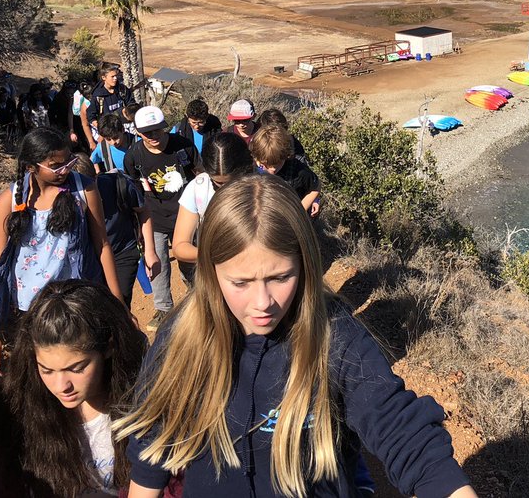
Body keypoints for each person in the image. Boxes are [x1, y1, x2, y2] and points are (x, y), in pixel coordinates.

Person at [116, 177, 477, 498]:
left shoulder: (334, 335)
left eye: (280, 277)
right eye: (240, 283)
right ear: (210, 273)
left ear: (305, 264)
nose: (263, 304)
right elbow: (153, 444)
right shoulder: (181, 337)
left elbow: (402, 431)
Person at [0, 279, 148, 498]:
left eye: (77, 368)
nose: (62, 386)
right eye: (47, 370)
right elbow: (2, 484)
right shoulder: (16, 409)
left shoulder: (144, 401)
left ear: (108, 347)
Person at [0, 128, 124, 376]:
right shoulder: (9, 201)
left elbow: (102, 245)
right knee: (39, 375)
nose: (65, 170)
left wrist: (119, 307)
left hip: (75, 304)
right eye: (55, 166)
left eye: (68, 162)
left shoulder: (84, 190)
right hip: (29, 311)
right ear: (31, 167)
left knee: (78, 369)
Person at [122, 106, 199, 332]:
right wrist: (136, 222)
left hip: (186, 214)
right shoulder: (134, 155)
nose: (153, 136)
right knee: (158, 263)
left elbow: (200, 173)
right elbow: (133, 187)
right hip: (153, 215)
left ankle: (197, 297)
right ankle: (164, 308)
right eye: (148, 132)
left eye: (157, 131)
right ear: (138, 132)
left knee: (188, 261)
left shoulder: (182, 146)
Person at [77, 151, 160, 308]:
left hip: (122, 253)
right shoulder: (67, 199)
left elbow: (143, 211)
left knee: (119, 305)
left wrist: (150, 251)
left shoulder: (116, 184)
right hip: (89, 261)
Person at [170, 132, 254, 265]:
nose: (225, 189)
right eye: (219, 183)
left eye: (233, 182)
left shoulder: (265, 185)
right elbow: (180, 246)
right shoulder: (198, 188)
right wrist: (217, 256)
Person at [250, 125, 321, 217]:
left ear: (286, 156)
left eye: (277, 164)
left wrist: (298, 213)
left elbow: (315, 186)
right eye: (266, 165)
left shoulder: (298, 170)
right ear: (257, 158)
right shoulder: (250, 170)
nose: (272, 170)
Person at [86, 65, 133, 150]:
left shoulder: (122, 90)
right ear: (104, 77)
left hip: (126, 132)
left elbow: (131, 105)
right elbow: (90, 117)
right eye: (112, 76)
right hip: (109, 137)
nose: (115, 78)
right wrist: (103, 131)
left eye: (116, 76)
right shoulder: (97, 96)